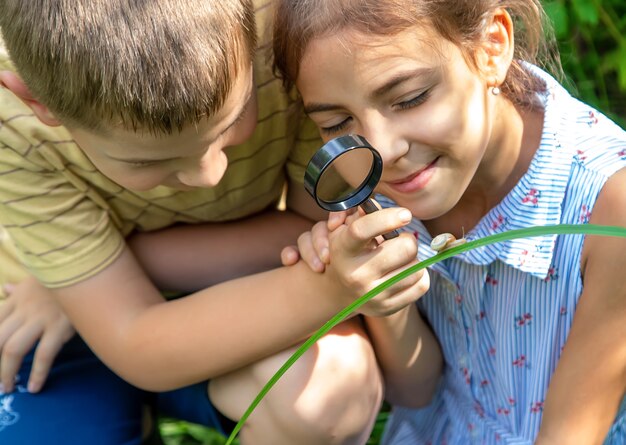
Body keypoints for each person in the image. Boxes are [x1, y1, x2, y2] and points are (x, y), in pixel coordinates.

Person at [0, 0, 438, 444]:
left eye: (231, 122)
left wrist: (94, 277)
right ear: (38, 103)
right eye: (149, 159)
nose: (210, 173)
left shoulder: (287, 36)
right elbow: (135, 341)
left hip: (233, 293)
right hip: (50, 326)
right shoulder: (11, 128)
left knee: (329, 392)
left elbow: (313, 229)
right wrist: (326, 290)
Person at [272, 0, 626, 443]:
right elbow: (417, 390)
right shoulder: (381, 189)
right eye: (336, 121)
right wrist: (375, 292)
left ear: (491, 47)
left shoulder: (609, 209)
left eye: (409, 98)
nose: (381, 149)